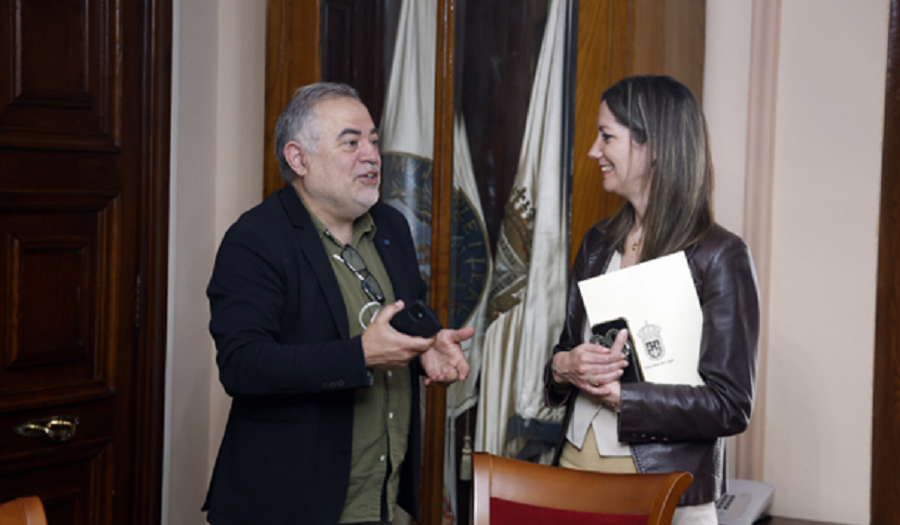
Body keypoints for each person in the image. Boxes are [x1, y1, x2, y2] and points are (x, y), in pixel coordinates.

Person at [203, 82, 474, 525]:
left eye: (373, 141)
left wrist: (427, 347)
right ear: (298, 159)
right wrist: (359, 355)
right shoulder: (255, 240)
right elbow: (242, 365)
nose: (371, 156)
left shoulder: (390, 226)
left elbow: (401, 318)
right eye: (351, 143)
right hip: (291, 507)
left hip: (383, 500)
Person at [543, 75, 760, 525]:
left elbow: (730, 404)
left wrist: (627, 398)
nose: (594, 151)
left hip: (663, 493)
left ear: (655, 146)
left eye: (607, 137)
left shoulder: (720, 255)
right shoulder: (598, 243)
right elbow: (564, 351)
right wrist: (564, 366)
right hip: (572, 478)